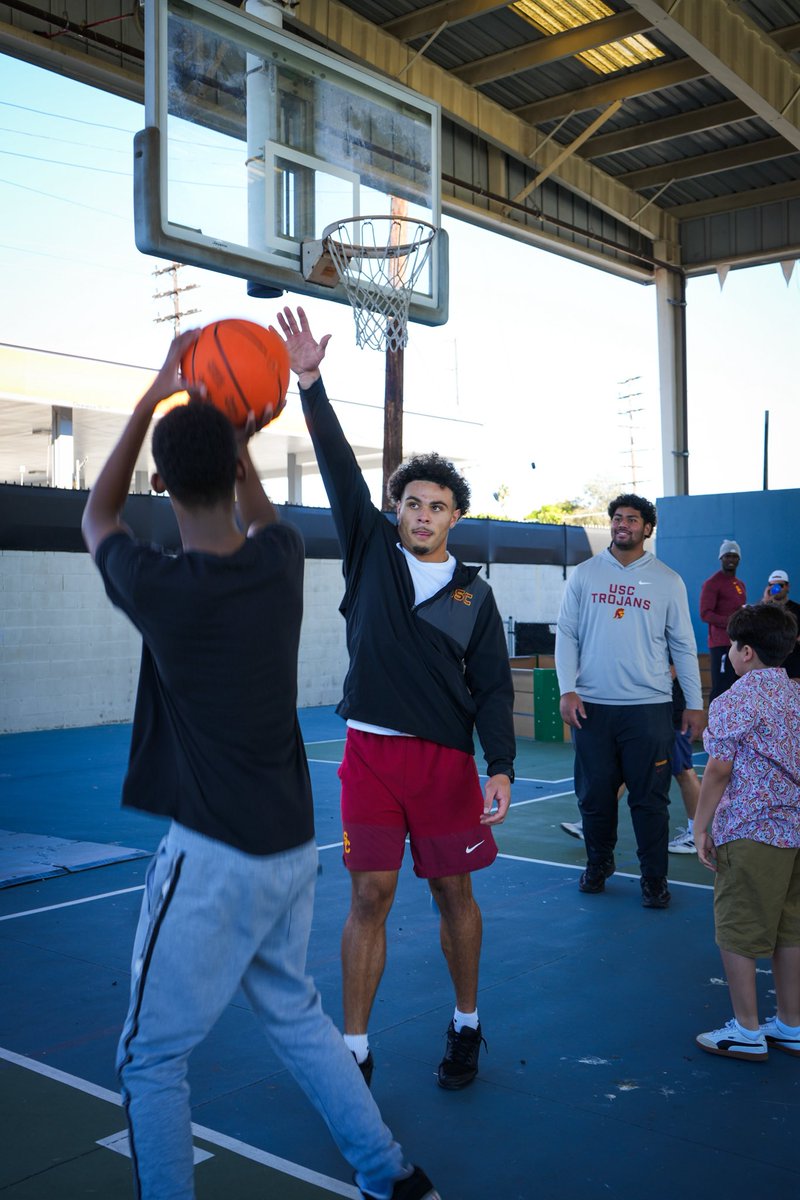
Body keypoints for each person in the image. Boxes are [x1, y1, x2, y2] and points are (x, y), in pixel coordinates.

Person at [80, 333, 440, 1200]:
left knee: (150, 1056)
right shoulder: (282, 563)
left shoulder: (157, 585)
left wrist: (154, 398)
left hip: (212, 856)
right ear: (241, 465)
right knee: (294, 1013)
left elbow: (97, 517)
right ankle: (393, 1175)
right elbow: (259, 512)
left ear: (162, 484)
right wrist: (227, 415)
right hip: (290, 849)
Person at [275, 306, 515, 1092]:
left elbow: (491, 691)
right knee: (368, 894)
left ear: (456, 517)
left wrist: (501, 766)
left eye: (437, 505)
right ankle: (353, 1049)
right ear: (398, 509)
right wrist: (310, 381)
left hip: (445, 765)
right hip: (370, 756)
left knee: (453, 891)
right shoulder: (370, 550)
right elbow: (341, 468)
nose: (421, 514)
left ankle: (467, 1025)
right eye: (411, 501)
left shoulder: (475, 598)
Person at [555, 493, 704, 909]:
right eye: (618, 518)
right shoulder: (584, 575)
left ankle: (653, 878)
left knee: (650, 800)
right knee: (595, 797)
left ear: (647, 528)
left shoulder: (667, 580)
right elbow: (566, 635)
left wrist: (693, 702)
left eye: (633, 519)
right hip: (593, 709)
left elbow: (684, 645)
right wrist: (568, 688)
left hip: (650, 708)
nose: (624, 524)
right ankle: (598, 864)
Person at [694, 603, 800, 1062]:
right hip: (794, 831)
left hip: (751, 830)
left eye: (733, 647)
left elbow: (718, 770)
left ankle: (747, 1029)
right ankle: (792, 1025)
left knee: (737, 927)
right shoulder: (795, 694)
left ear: (746, 652)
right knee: (789, 929)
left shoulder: (734, 700)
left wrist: (700, 827)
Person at [559, 673, 702, 854]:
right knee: (625, 768)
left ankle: (696, 834)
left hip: (670, 714)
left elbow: (672, 670)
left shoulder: (669, 646)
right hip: (642, 714)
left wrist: (630, 681)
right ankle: (592, 823)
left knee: (683, 770)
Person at [700, 540, 747, 703]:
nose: (731, 559)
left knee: (737, 686)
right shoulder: (712, 583)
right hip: (721, 644)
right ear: (721, 558)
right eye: (727, 556)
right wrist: (731, 621)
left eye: (734, 556)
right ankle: (714, 726)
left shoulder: (739, 584)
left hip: (738, 644)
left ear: (739, 559)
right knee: (722, 687)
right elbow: (705, 614)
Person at [761, 569, 800, 679]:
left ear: (787, 587)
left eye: (780, 585)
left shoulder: (798, 610)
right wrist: (765, 600)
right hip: (770, 665)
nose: (776, 589)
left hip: (794, 665)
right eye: (772, 585)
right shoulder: (764, 609)